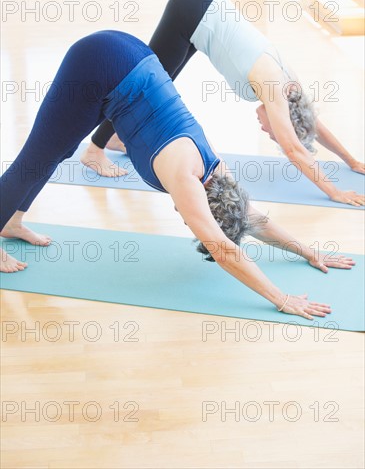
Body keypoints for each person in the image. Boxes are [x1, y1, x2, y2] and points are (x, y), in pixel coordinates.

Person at [0, 30, 355, 320]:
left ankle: (12, 221)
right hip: (101, 63)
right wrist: (282, 298)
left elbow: (255, 220)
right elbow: (224, 250)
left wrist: (308, 252)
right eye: (192, 223)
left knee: (57, 151)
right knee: (35, 155)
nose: (185, 221)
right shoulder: (186, 179)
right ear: (205, 208)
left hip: (133, 57)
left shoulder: (217, 171)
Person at [82, 0, 365, 207]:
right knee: (142, 83)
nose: (268, 132)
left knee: (160, 81)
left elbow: (313, 124)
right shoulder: (273, 88)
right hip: (192, 11)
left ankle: (115, 138)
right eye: (274, 132)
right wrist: (334, 191)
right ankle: (94, 151)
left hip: (204, 9)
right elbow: (294, 150)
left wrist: (351, 161)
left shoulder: (291, 88)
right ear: (285, 116)